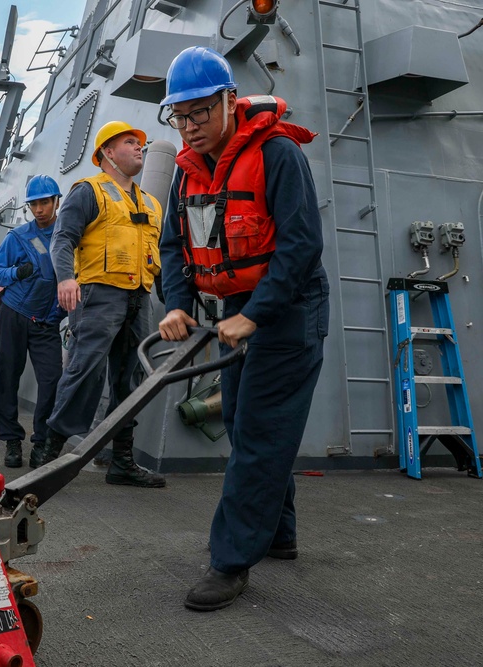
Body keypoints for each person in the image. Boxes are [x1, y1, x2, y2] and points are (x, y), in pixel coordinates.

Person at [156, 47, 329, 612]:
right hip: (235, 310)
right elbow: (174, 248)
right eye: (179, 117)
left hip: (287, 309)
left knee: (257, 432)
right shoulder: (186, 175)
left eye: (200, 112)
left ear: (230, 101)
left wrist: (255, 315)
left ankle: (230, 561)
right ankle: (280, 534)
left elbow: (301, 246)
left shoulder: (277, 154)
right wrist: (178, 304)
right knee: (242, 421)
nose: (189, 127)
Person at [28, 121, 167, 489]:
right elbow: (63, 239)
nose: (139, 147)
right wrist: (65, 279)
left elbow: (158, 255)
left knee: (131, 381)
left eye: (140, 143)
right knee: (84, 373)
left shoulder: (151, 204)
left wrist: (177, 301)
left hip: (139, 298)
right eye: (129, 142)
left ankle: (121, 461)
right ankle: (47, 459)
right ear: (107, 152)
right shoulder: (88, 192)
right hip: (97, 296)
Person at [0, 175, 66, 467]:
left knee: (53, 381)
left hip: (48, 321)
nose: (40, 209)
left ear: (57, 202)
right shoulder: (18, 237)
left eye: (45, 202)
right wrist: (17, 274)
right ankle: (11, 441)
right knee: (7, 377)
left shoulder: (69, 236)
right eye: (34, 204)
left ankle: (42, 442)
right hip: (15, 314)